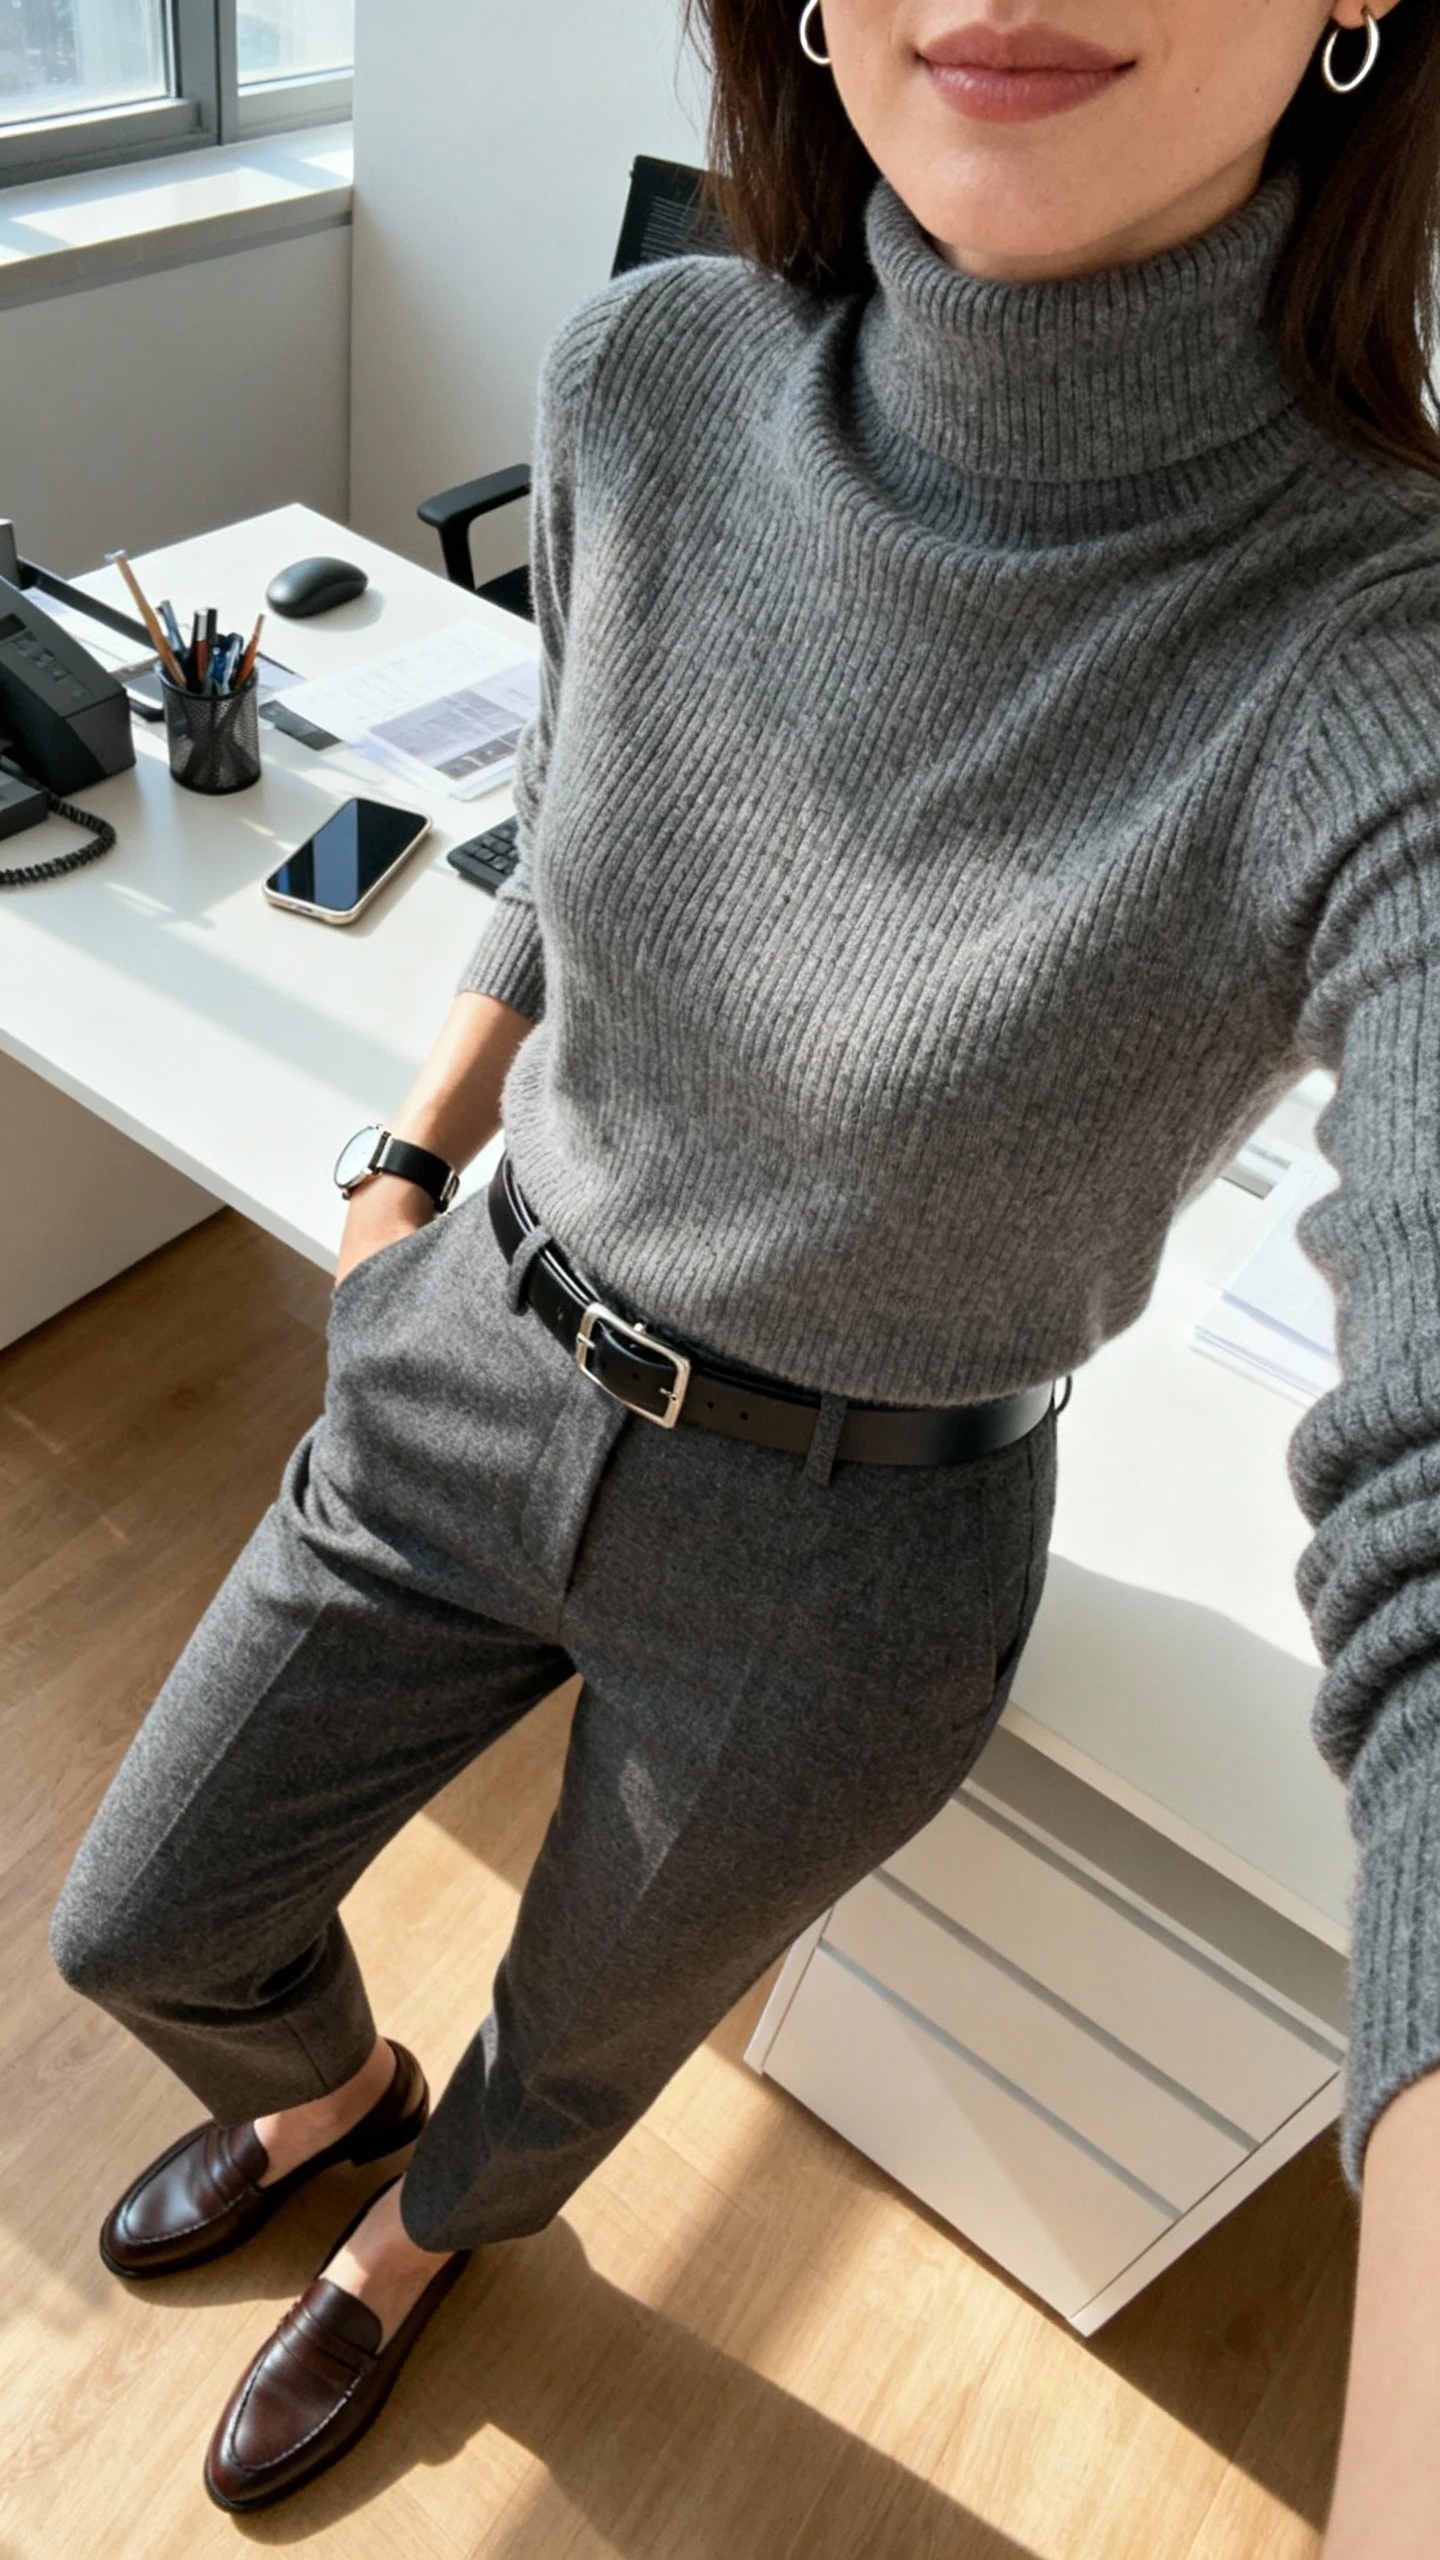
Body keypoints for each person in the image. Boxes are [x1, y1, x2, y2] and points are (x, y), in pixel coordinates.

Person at [47, 0, 1440, 2538]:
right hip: (481, 1347)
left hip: (848, 1552)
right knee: (141, 1918)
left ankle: (420, 2231)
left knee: (581, 2033)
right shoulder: (652, 376)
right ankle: (337, 2091)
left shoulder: (1381, 646)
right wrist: (408, 1160)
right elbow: (568, 837)